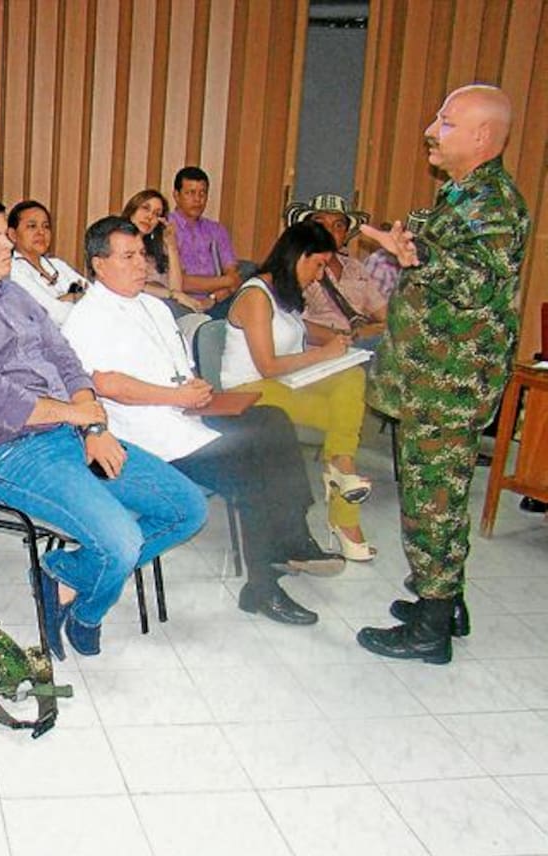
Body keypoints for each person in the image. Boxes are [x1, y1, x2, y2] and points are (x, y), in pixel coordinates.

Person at [0, 194, 207, 659]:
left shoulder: (13, 293)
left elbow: (66, 359)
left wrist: (91, 426)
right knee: (121, 541)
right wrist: (78, 415)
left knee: (186, 508)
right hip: (6, 453)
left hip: (70, 433)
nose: (9, 245)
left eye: (6, 234)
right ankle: (88, 612)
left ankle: (64, 579)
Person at [63, 216, 345, 625]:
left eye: (142, 254)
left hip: (183, 419)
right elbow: (107, 384)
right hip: (141, 438)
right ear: (98, 264)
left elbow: (176, 368)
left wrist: (192, 388)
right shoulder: (88, 316)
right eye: (128, 256)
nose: (141, 264)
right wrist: (177, 395)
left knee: (272, 422)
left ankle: (293, 537)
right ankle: (261, 587)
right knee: (250, 465)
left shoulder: (153, 307)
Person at [356, 84, 529, 664]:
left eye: (448, 122)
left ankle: (430, 629)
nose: (433, 129)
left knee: (431, 501)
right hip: (429, 378)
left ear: (483, 136)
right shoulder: (461, 196)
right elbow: (439, 263)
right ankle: (445, 602)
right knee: (440, 497)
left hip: (449, 386)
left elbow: (478, 283)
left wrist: (418, 256)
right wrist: (403, 245)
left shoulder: (495, 206)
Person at [221, 220, 376, 563]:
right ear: (298, 257)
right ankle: (344, 511)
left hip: (283, 385)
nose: (321, 275)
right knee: (341, 420)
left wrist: (337, 338)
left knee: (351, 377)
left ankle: (343, 470)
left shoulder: (284, 293)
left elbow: (299, 328)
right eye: (318, 264)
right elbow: (268, 366)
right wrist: (324, 354)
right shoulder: (255, 295)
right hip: (250, 391)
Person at [283, 193, 388, 351]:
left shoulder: (356, 268)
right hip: (316, 355)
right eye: (321, 223)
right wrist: (351, 336)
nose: (329, 230)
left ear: (346, 234)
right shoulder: (296, 266)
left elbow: (384, 316)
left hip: (356, 352)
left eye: (338, 225)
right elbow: (290, 325)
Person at [120, 189, 208, 317]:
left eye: (156, 214)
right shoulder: (117, 240)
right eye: (145, 208)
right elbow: (128, 283)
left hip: (161, 306)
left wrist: (172, 246)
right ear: (132, 210)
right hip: (131, 305)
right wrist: (171, 294)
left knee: (193, 316)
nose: (149, 217)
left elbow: (176, 289)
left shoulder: (156, 249)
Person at [169, 166, 243, 317]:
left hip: (218, 300)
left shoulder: (216, 230)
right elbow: (182, 283)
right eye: (190, 193)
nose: (197, 199)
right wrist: (226, 281)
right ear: (176, 195)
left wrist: (213, 298)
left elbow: (234, 278)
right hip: (180, 302)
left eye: (202, 193)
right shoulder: (167, 229)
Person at [7, 199, 88, 326]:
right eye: (32, 226)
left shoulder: (58, 265)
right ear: (12, 235)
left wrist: (63, 300)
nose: (41, 232)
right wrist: (74, 297)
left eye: (46, 226)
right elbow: (56, 315)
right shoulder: (11, 270)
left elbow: (95, 299)